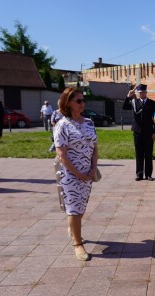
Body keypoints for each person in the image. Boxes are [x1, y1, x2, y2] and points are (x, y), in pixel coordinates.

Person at [53, 88, 98, 261]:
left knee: (81, 207)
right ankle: (77, 244)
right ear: (68, 103)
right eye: (78, 101)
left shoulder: (88, 123)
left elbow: (95, 148)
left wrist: (93, 168)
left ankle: (73, 230)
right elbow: (62, 155)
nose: (82, 104)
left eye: (83, 100)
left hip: (87, 173)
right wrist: (78, 173)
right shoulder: (62, 125)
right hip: (70, 174)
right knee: (74, 209)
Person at [123, 84, 155, 181]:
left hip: (148, 132)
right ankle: (139, 174)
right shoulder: (134, 102)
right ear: (138, 93)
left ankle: (148, 174)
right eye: (139, 92)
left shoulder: (152, 103)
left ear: (146, 92)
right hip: (137, 132)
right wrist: (128, 96)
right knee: (139, 154)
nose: (141, 94)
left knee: (148, 153)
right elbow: (125, 107)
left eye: (143, 92)